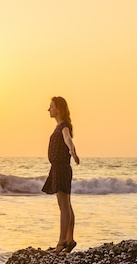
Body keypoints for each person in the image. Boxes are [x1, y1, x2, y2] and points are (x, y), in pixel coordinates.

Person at [42, 96, 80, 253]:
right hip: (59, 168)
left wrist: (72, 150)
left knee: (63, 205)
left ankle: (61, 242)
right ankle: (69, 240)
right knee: (66, 205)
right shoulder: (60, 125)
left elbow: (67, 138)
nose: (48, 109)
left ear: (58, 108)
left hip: (61, 168)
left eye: (51, 106)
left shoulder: (64, 126)